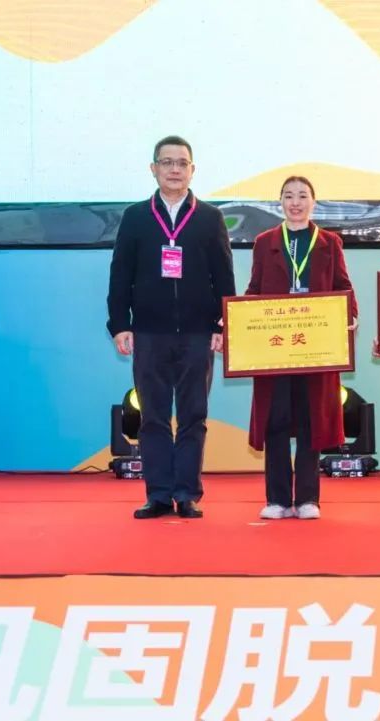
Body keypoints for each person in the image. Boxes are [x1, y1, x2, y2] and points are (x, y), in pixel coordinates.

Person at [107, 135, 235, 519]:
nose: (174, 169)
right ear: (154, 169)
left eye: (182, 163)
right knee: (153, 417)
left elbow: (223, 275)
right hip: (149, 332)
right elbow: (120, 274)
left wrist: (222, 324)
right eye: (167, 162)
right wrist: (120, 324)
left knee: (194, 416)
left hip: (198, 333)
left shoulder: (210, 218)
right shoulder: (135, 217)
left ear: (192, 170)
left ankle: (187, 494)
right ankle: (159, 494)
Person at [245, 176, 357, 520]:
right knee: (276, 419)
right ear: (280, 202)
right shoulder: (264, 242)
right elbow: (253, 289)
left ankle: (308, 498)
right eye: (289, 196)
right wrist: (237, 320)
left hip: (315, 345)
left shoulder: (329, 242)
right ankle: (277, 499)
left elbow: (343, 286)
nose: (296, 202)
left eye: (303, 196)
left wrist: (350, 315)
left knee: (312, 419)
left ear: (313, 202)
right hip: (276, 347)